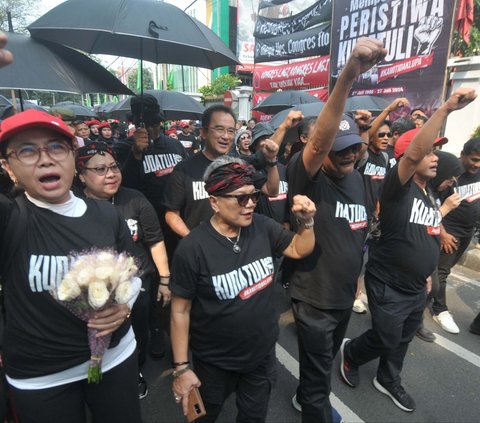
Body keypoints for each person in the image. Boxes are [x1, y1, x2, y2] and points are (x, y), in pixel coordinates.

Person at [0, 110, 142, 423]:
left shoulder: (106, 215)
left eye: (56, 147)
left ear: (72, 157)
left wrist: (125, 307)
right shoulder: (11, 217)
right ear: (8, 168)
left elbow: (134, 273)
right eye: (27, 150)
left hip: (114, 358)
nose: (45, 159)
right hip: (43, 377)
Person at [340, 87, 476, 413]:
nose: (435, 158)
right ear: (407, 159)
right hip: (388, 282)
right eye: (429, 153)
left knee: (401, 341)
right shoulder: (396, 187)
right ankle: (352, 354)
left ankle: (388, 379)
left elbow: (427, 236)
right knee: (386, 337)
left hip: (416, 286)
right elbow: (414, 154)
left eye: (436, 153)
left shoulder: (429, 193)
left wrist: (428, 275)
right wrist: (445, 110)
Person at [170, 156, 316, 423]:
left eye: (253, 196)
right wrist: (181, 369)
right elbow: (180, 310)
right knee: (203, 417)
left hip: (261, 357)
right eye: (240, 198)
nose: (250, 204)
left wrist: (306, 222)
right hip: (214, 364)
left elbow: (298, 248)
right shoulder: (193, 248)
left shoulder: (262, 226)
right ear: (214, 201)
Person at [287, 37, 387, 423]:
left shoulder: (360, 180)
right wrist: (350, 73)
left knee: (324, 360)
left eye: (354, 147)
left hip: (343, 295)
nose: (349, 153)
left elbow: (356, 235)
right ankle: (313, 408)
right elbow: (319, 142)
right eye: (339, 147)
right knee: (316, 380)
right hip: (313, 298)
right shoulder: (307, 174)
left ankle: (306, 394)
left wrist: (358, 279)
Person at [75, 141, 171, 399]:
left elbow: (155, 240)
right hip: (90, 294)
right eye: (100, 169)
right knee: (95, 340)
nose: (110, 173)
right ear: (81, 175)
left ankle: (134, 371)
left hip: (136, 286)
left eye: (114, 166)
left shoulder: (135, 199)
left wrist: (164, 279)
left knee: (135, 334)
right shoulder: (71, 206)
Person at [163, 104, 280, 239]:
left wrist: (271, 161)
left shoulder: (239, 165)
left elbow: (272, 191)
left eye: (231, 131)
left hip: (236, 247)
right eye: (219, 129)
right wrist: (192, 241)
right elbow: (171, 213)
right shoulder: (184, 169)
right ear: (203, 133)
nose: (226, 136)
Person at [431, 137, 480, 334]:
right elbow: (433, 203)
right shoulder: (450, 174)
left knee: (444, 270)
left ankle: (428, 295)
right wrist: (442, 233)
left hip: (467, 233)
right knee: (441, 272)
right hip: (448, 231)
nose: (477, 164)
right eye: (474, 159)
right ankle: (439, 309)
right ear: (463, 155)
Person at [415, 150, 462, 342]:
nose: (451, 183)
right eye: (449, 178)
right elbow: (423, 219)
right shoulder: (416, 190)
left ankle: (415, 321)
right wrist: (446, 208)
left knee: (431, 288)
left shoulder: (433, 191)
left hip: (428, 249)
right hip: (412, 252)